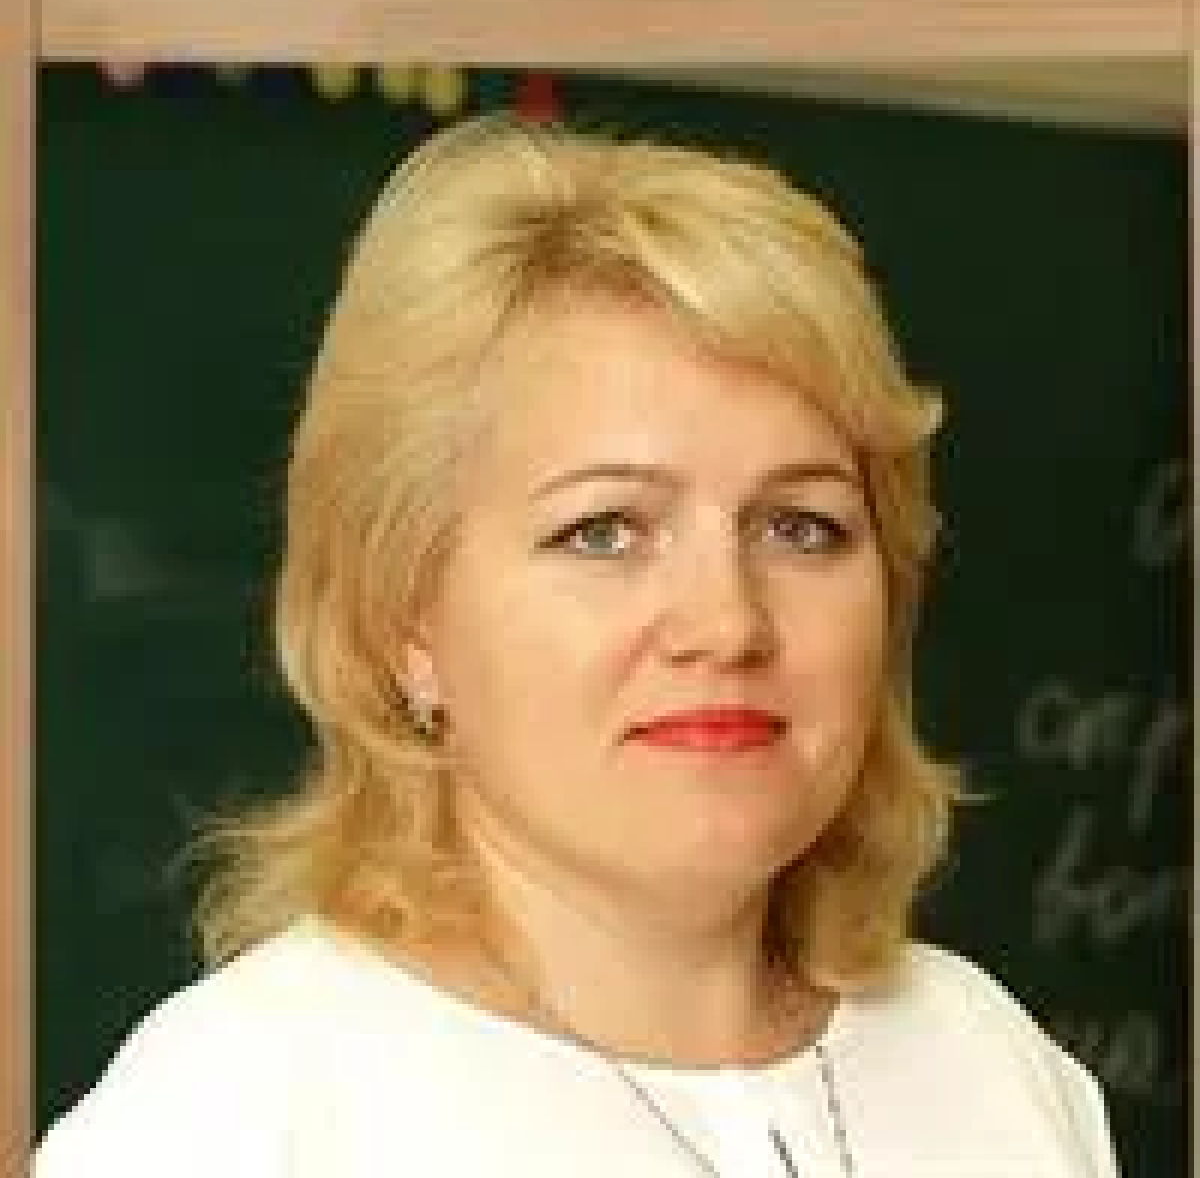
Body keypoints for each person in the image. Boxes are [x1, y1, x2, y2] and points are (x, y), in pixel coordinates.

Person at [34, 114, 1121, 1176]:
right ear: (407, 618)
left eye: (801, 527)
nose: (728, 624)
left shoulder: (991, 1064)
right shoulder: (241, 1116)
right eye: (605, 532)